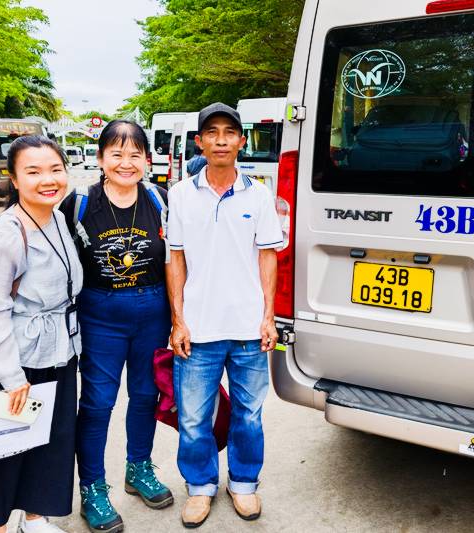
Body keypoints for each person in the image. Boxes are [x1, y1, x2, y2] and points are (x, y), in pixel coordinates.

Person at [0, 135, 83, 533]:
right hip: (17, 359)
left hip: (59, 351)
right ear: (14, 178)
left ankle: (35, 518)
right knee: (0, 451)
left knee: (49, 443)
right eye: (34, 171)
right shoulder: (3, 235)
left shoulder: (58, 219)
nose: (48, 179)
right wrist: (11, 377)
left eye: (55, 169)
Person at [166, 102, 281, 527]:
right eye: (211, 133)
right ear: (199, 142)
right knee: (194, 417)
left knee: (249, 415)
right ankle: (200, 487)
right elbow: (175, 259)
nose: (220, 140)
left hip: (249, 328)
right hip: (198, 329)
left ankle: (244, 484)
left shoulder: (259, 194)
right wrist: (178, 320)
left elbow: (267, 257)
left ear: (241, 141)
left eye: (229, 132)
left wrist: (268, 317)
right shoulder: (180, 194)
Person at [60, 120, 173, 533]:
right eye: (116, 154)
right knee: (97, 403)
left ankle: (138, 468)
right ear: (101, 158)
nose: (126, 163)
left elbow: (178, 259)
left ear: (147, 159)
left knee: (145, 395)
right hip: (100, 315)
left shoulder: (161, 199)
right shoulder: (79, 204)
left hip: (154, 312)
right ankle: (92, 487)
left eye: (135, 154)